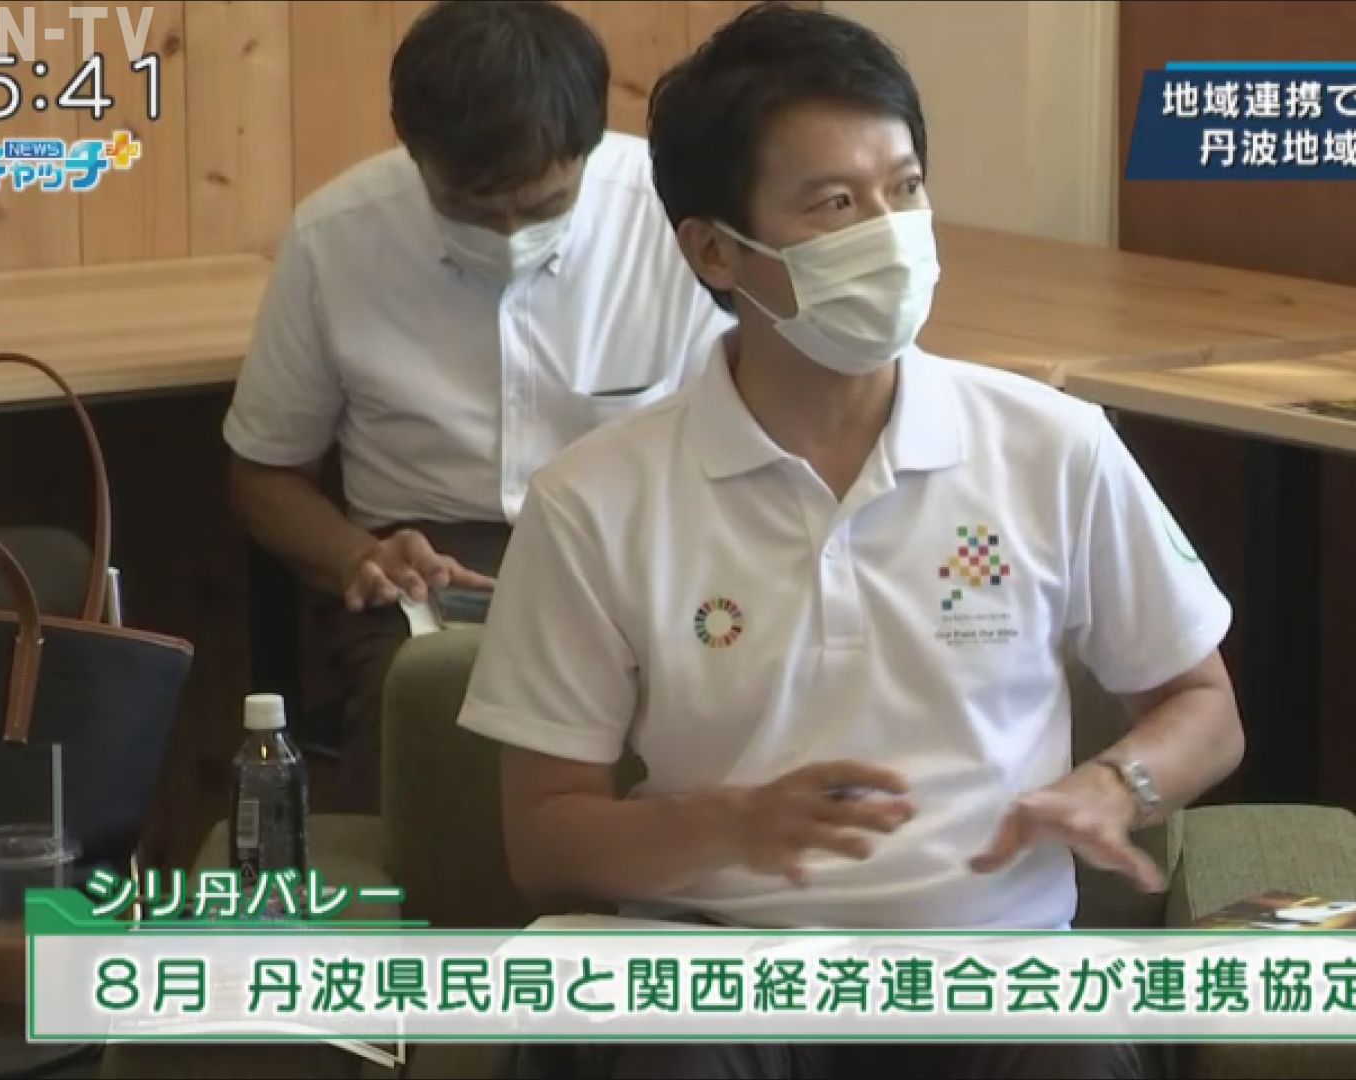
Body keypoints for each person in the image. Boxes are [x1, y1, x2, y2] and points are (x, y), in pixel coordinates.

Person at [456, 5, 1244, 1077]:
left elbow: (1204, 705)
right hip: (724, 971)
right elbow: (544, 843)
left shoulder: (1054, 445)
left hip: (990, 972)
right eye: (836, 203)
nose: (890, 232)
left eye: (903, 189)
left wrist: (1117, 787)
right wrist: (730, 828)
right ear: (715, 251)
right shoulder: (594, 499)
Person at [223, 1, 731, 811]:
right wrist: (357, 557)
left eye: (542, 206)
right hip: (428, 564)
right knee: (432, 699)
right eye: (468, 209)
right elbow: (265, 477)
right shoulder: (336, 236)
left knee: (708, 690)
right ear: (413, 152)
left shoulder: (678, 222)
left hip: (641, 541)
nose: (507, 234)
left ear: (588, 148)